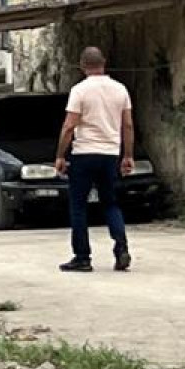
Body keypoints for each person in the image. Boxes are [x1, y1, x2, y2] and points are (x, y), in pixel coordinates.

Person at [54, 46, 136, 273]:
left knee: (79, 205)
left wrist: (61, 155)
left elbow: (69, 125)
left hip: (84, 154)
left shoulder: (79, 91)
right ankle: (121, 248)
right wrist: (127, 155)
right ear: (104, 62)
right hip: (110, 154)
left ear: (82, 65)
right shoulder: (120, 90)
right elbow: (127, 124)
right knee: (110, 202)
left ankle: (82, 257)